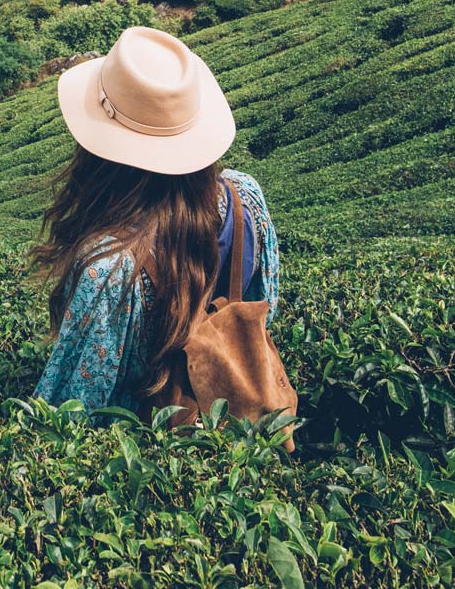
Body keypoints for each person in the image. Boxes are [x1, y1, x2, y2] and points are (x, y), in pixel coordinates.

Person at [32, 25, 280, 415]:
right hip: (233, 438)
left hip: (142, 458)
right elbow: (262, 311)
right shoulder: (245, 196)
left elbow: (68, 411)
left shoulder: (109, 266)